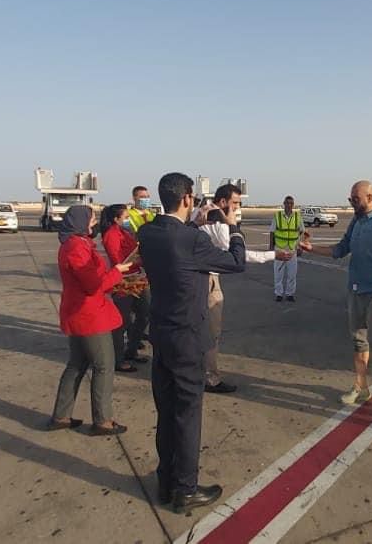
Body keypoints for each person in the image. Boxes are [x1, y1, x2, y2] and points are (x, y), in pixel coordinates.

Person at [137, 172, 245, 513]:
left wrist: (193, 223)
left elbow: (176, 241)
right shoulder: (192, 240)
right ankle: (186, 489)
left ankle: (166, 481)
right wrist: (233, 226)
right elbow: (236, 263)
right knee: (187, 415)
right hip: (187, 339)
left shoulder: (148, 232)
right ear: (187, 198)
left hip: (162, 335)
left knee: (167, 412)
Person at [304, 181, 372, 406]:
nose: (352, 203)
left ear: (370, 198)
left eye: (356, 199)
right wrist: (312, 249)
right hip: (356, 290)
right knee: (359, 341)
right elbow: (340, 249)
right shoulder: (356, 222)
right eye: (351, 199)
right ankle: (361, 387)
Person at [45, 205, 135, 436]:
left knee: (77, 364)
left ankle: (61, 415)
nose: (94, 223)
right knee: (104, 365)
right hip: (89, 315)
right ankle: (103, 420)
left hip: (80, 312)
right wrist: (116, 272)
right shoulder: (77, 247)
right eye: (91, 219)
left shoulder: (76, 244)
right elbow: (93, 285)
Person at [194, 184, 287, 394]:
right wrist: (272, 255)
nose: (237, 207)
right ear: (223, 202)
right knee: (211, 333)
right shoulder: (218, 222)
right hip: (208, 280)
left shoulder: (199, 214)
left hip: (196, 279)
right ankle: (210, 378)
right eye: (235, 203)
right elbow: (237, 256)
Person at [99, 204, 150, 372]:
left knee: (144, 314)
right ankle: (118, 359)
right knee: (122, 321)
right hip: (123, 281)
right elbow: (118, 260)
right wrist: (138, 261)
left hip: (136, 278)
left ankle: (132, 349)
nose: (128, 220)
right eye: (126, 217)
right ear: (116, 219)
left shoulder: (124, 232)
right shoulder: (111, 235)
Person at [269, 195, 304, 302]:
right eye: (287, 203)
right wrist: (271, 247)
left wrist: (300, 246)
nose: (289, 205)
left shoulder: (297, 216)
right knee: (278, 273)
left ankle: (290, 294)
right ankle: (279, 294)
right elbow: (272, 232)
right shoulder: (277, 216)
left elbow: (301, 231)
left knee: (292, 274)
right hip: (280, 248)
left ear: (293, 205)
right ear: (284, 204)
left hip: (292, 249)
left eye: (291, 203)